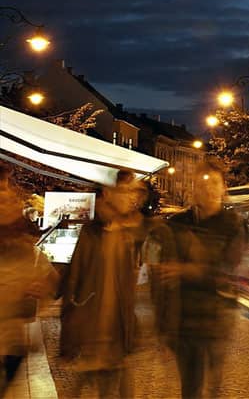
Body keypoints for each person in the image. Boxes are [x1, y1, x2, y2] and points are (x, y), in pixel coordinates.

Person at [59, 170, 147, 398]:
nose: (131, 198)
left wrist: (131, 332)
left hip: (115, 336)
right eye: (125, 191)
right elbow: (74, 282)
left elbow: (128, 290)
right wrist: (68, 339)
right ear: (108, 193)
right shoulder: (92, 232)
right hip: (91, 334)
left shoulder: (129, 233)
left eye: (133, 193)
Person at [162, 159, 245, 399]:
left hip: (217, 319)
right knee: (190, 388)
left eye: (214, 183)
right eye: (202, 183)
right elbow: (163, 272)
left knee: (212, 388)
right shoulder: (177, 224)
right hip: (183, 321)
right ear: (194, 187)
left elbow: (227, 269)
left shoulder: (234, 224)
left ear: (223, 188)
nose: (208, 189)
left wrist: (187, 270)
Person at [0, 165, 57, 397]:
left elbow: (50, 279)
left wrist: (40, 291)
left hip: (10, 343)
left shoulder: (21, 245)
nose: (5, 197)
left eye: (5, 189)